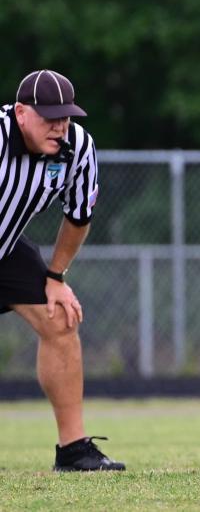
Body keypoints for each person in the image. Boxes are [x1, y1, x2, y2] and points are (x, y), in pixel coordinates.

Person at [0, 70, 124, 471]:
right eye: (48, 116)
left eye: (66, 116)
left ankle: (73, 451)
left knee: (61, 318)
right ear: (21, 113)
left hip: (5, 249)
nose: (60, 126)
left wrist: (55, 277)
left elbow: (78, 216)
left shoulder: (77, 148)